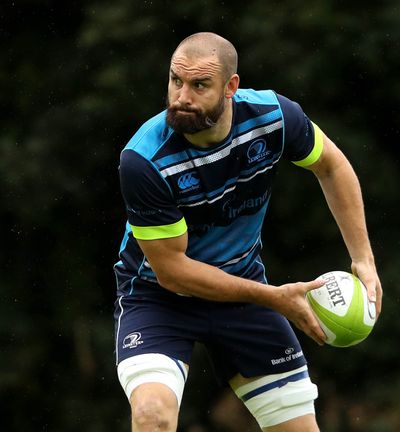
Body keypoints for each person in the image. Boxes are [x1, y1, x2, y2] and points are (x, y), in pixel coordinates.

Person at [114, 32, 383, 432]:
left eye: (199, 85)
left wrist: (363, 258)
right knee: (153, 415)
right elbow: (173, 271)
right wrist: (273, 298)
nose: (181, 97)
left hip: (243, 288)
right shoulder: (144, 160)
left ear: (230, 88)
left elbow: (332, 166)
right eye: (175, 81)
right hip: (158, 298)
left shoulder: (274, 118)